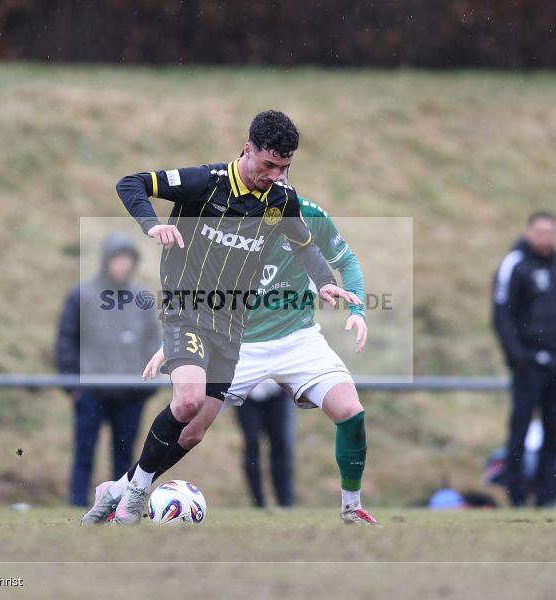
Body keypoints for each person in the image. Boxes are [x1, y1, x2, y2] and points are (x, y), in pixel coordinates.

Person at [96, 109, 358, 525]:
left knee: (195, 430)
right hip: (187, 312)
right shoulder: (206, 183)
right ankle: (135, 493)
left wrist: (324, 280)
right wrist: (150, 226)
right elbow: (131, 183)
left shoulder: (280, 200)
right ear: (247, 150)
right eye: (269, 164)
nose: (276, 174)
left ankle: (115, 490)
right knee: (187, 400)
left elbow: (305, 244)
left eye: (285, 167)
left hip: (232, 328)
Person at [55, 233, 159, 506]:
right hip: (91, 394)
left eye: (127, 259)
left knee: (125, 458)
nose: (122, 265)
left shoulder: (142, 299)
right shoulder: (82, 296)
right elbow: (66, 340)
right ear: (105, 260)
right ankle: (78, 506)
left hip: (130, 395)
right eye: (117, 258)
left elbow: (154, 343)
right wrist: (73, 385)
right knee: (84, 454)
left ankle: (119, 508)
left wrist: (146, 387)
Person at [492, 211, 556, 507]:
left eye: (551, 232)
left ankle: (546, 495)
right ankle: (516, 493)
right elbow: (502, 314)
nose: (546, 238)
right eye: (541, 232)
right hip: (529, 365)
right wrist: (517, 357)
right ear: (529, 232)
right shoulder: (515, 265)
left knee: (554, 429)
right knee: (520, 429)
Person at [236, 382, 295, 508]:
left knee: (281, 444)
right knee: (252, 443)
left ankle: (285, 502)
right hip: (246, 392)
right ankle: (258, 502)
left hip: (277, 391)